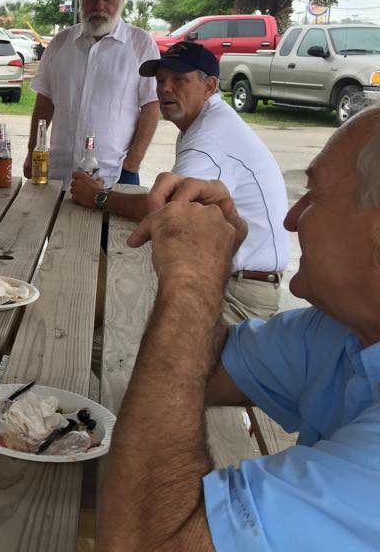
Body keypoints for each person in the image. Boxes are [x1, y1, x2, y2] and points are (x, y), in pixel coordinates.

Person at [98, 107, 380, 551]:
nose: (290, 219)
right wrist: (215, 265)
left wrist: (191, 283)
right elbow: (203, 371)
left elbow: (138, 542)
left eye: (314, 197)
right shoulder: (342, 331)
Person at [69, 41, 289, 322]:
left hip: (239, 294)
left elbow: (167, 210)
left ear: (209, 86)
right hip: (231, 278)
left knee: (109, 325)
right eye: (161, 80)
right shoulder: (208, 122)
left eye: (179, 80)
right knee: (113, 305)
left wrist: (98, 197)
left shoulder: (208, 139)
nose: (165, 88)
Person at [23, 0, 160, 185]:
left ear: (122, 0)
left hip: (114, 175)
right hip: (59, 173)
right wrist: (31, 151)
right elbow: (44, 101)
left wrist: (133, 162)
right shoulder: (60, 44)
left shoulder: (140, 44)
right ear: (80, 0)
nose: (99, 6)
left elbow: (151, 105)